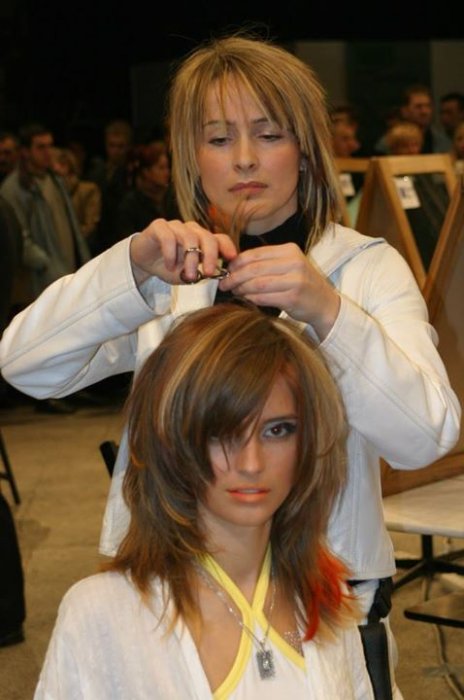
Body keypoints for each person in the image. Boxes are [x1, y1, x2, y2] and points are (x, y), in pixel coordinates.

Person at [0, 33, 461, 699]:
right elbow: (24, 363)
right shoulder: (173, 274)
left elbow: (426, 435)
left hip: (323, 613)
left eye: (268, 134)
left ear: (306, 147)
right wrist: (129, 269)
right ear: (191, 155)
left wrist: (328, 312)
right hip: (169, 608)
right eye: (218, 138)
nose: (244, 158)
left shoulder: (363, 270)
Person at [34, 302, 374, 698]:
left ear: (309, 439)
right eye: (221, 433)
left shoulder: (325, 598)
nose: (251, 464)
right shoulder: (101, 614)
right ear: (170, 440)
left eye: (277, 430)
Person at [114, 140, 171, 240]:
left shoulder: (172, 198)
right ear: (146, 171)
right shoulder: (131, 204)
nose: (167, 173)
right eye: (161, 168)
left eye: (167, 167)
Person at [374, 84, 451, 155]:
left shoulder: (441, 140)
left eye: (428, 106)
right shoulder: (389, 142)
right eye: (418, 107)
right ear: (404, 111)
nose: (424, 111)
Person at [51, 147, 102, 252]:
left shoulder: (88, 190)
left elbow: (90, 226)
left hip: (80, 249)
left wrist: (67, 239)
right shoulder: (49, 194)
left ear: (66, 166)